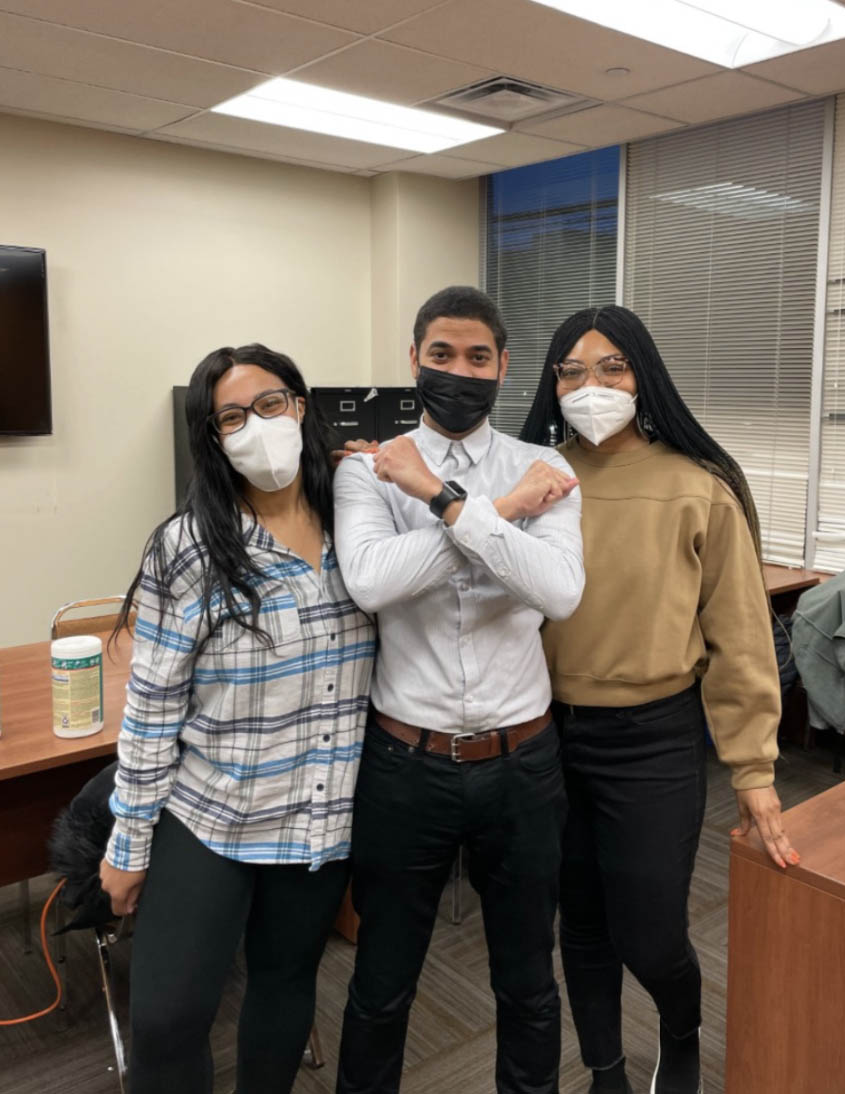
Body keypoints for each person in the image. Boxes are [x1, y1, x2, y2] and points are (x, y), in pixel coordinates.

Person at [520, 306, 800, 1094]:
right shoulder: (535, 483)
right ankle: (605, 1068)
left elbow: (741, 638)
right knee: (579, 922)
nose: (590, 386)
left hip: (654, 739)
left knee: (650, 931)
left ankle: (680, 1034)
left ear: (644, 376)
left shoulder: (696, 486)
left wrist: (754, 769)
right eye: (571, 372)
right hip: (548, 735)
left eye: (612, 367)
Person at [99, 343, 375, 1094]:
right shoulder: (187, 548)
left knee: (285, 990)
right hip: (211, 817)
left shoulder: (361, 529)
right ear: (211, 439)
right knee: (166, 1020)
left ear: (301, 405)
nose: (257, 425)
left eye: (271, 403)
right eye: (231, 416)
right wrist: (127, 843)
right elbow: (152, 709)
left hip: (318, 821)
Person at [332, 286, 585, 1094]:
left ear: (504, 367)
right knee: (382, 981)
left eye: (478, 357)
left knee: (528, 979)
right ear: (414, 359)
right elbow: (373, 581)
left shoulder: (545, 470)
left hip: (523, 762)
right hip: (407, 765)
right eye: (442, 354)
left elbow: (558, 590)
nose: (459, 371)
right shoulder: (371, 470)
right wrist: (499, 516)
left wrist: (442, 501)